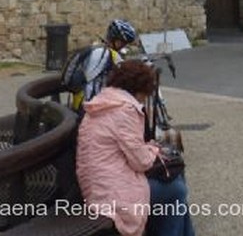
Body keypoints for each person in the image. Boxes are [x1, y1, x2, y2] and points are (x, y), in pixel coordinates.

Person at [77, 59, 195, 236]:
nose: (146, 98)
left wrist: (148, 148)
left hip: (98, 183)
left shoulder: (104, 102)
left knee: (175, 181)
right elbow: (142, 162)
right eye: (146, 93)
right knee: (177, 190)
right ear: (139, 89)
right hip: (111, 193)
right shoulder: (124, 110)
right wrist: (153, 149)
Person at [66, 18, 139, 113]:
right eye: (121, 43)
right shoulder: (110, 55)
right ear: (114, 39)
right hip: (93, 106)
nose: (123, 46)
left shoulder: (95, 49)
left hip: (80, 103)